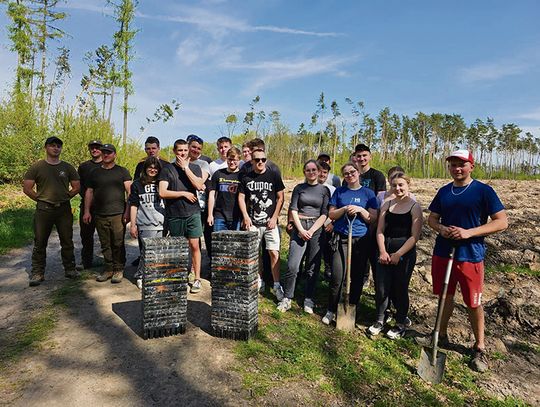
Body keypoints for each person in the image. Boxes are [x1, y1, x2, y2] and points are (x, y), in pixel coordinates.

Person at [419, 149, 507, 372]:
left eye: (462, 164)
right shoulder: (444, 191)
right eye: (453, 165)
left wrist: (469, 232)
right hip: (443, 252)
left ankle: (480, 347)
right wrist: (441, 229)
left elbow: (501, 222)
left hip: (470, 255)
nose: (457, 168)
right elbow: (432, 218)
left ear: (471, 166)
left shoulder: (483, 191)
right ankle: (440, 334)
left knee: (473, 302)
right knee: (444, 296)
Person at [322, 162, 378, 325]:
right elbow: (331, 214)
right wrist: (345, 208)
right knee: (337, 277)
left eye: (352, 172)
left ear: (358, 172)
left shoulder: (368, 193)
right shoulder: (340, 192)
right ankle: (331, 309)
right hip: (341, 239)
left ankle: (352, 306)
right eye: (346, 174)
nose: (349, 175)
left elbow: (373, 218)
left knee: (357, 277)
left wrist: (360, 210)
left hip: (361, 240)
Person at [368, 172, 423, 338]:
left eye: (401, 185)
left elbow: (415, 236)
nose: (397, 188)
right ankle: (380, 318)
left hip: (404, 252)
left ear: (408, 185)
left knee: (400, 288)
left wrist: (398, 254)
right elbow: (380, 230)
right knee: (382, 286)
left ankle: (400, 322)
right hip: (385, 250)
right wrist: (383, 251)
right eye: (394, 185)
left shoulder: (415, 207)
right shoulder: (386, 204)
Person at [23, 136, 80, 286]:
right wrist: (41, 199)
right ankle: (37, 272)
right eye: (52, 145)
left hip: (63, 209)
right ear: (46, 147)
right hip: (44, 210)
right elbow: (27, 188)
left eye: (58, 146)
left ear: (61, 149)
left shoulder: (67, 167)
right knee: (40, 242)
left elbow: (76, 187)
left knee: (67, 241)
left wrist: (67, 196)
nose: (56, 148)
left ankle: (70, 269)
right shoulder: (37, 167)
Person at [279, 160, 329, 313]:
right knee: (293, 265)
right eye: (308, 170)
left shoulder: (324, 190)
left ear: (319, 171)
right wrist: (300, 229)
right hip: (300, 227)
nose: (311, 172)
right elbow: (293, 209)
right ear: (304, 172)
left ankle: (308, 298)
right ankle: (287, 297)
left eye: (314, 169)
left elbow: (324, 213)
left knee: (312, 267)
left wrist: (312, 230)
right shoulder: (299, 188)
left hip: (316, 229)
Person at [159, 139, 205, 294]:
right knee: (179, 248)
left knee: (195, 246)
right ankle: (180, 276)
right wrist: (183, 193)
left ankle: (197, 278)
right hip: (175, 214)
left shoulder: (195, 168)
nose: (183, 153)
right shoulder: (167, 169)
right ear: (174, 151)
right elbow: (162, 192)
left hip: (193, 213)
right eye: (180, 151)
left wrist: (186, 169)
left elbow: (199, 185)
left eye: (185, 150)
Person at [238, 148, 285, 299]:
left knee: (274, 252)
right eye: (257, 160)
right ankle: (259, 280)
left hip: (270, 223)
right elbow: (241, 197)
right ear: (251, 161)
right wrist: (245, 216)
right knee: (254, 253)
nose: (260, 162)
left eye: (263, 160)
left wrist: (275, 217)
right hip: (253, 222)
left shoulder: (273, 175)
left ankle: (277, 285)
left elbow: (280, 197)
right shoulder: (246, 177)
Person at [83, 144, 132, 283]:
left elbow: (130, 191)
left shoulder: (122, 171)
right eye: (104, 152)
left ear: (114, 155)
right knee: (105, 243)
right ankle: (108, 268)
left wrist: (128, 212)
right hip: (99, 214)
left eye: (109, 152)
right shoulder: (94, 172)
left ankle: (118, 269)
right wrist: (87, 211)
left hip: (118, 213)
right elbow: (89, 192)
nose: (106, 155)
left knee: (118, 243)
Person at [128, 157, 165, 289]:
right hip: (145, 223)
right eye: (150, 167)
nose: (152, 170)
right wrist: (133, 225)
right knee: (147, 251)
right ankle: (140, 275)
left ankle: (153, 276)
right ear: (145, 169)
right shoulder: (137, 184)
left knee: (158, 252)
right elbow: (133, 205)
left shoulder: (162, 183)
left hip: (161, 223)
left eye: (155, 167)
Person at [353, 143, 386, 288]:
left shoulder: (377, 176)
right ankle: (358, 278)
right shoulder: (351, 175)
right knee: (357, 254)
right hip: (354, 222)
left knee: (372, 252)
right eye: (359, 156)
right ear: (355, 157)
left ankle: (373, 279)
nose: (361, 158)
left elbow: (380, 200)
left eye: (364, 155)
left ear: (370, 157)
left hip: (372, 222)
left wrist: (376, 221)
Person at [77, 139, 103, 270]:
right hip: (87, 206)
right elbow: (80, 186)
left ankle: (109, 262)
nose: (95, 150)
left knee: (106, 236)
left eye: (97, 147)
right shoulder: (83, 167)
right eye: (92, 147)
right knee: (86, 235)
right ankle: (86, 261)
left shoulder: (107, 165)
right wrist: (87, 199)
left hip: (104, 207)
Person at [187, 135, 212, 259]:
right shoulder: (174, 163)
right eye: (193, 147)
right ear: (188, 146)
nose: (196, 150)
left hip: (200, 205)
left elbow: (199, 183)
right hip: (181, 206)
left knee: (198, 237)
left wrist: (185, 168)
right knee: (186, 239)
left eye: (199, 148)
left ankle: (199, 265)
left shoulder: (203, 164)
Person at [207, 147, 242, 231]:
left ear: (239, 160)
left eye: (235, 160)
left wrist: (245, 217)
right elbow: (212, 195)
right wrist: (210, 214)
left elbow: (245, 198)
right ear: (227, 159)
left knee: (235, 243)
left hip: (236, 217)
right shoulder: (218, 174)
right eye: (230, 159)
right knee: (218, 243)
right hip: (220, 216)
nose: (232, 162)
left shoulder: (242, 176)